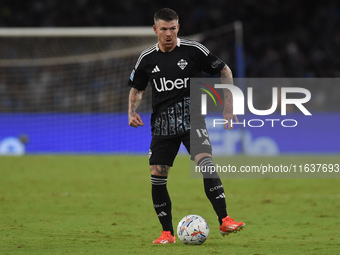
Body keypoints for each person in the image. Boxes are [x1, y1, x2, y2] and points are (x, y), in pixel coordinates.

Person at [128, 8, 245, 244]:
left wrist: (228, 106)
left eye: (172, 28)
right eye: (163, 29)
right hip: (162, 125)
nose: (168, 34)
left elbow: (225, 70)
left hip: (193, 120)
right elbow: (137, 89)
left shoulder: (193, 50)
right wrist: (131, 111)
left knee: (206, 163)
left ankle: (225, 220)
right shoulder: (146, 58)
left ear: (178, 28)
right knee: (157, 175)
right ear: (155, 30)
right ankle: (167, 233)